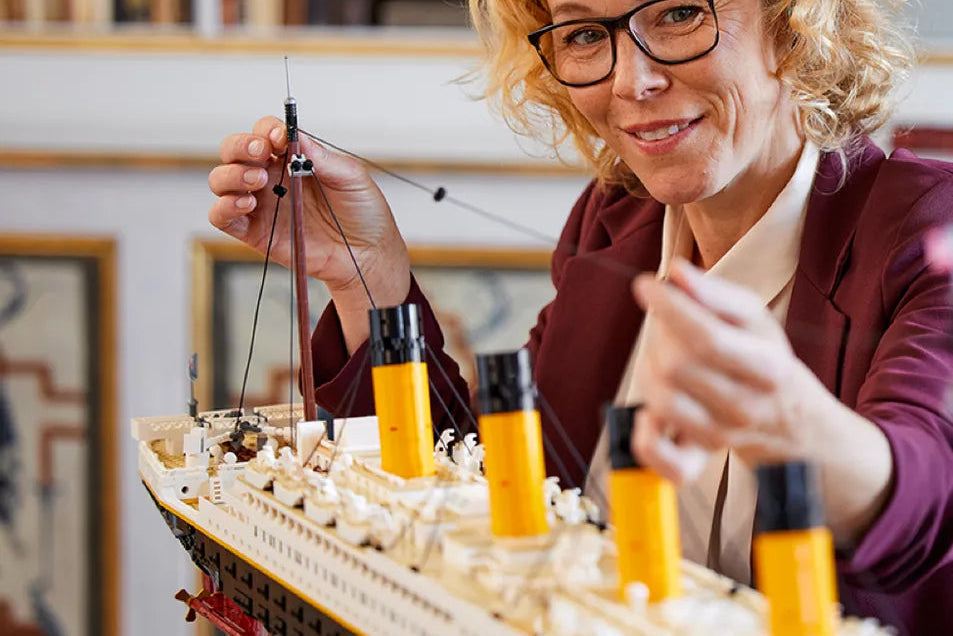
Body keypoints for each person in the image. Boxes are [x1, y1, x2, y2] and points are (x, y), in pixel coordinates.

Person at [208, 0, 953, 632]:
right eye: (586, 34)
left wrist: (799, 428)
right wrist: (365, 273)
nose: (633, 81)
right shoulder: (612, 217)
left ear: (794, 21)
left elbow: (928, 496)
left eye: (679, 13)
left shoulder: (927, 230)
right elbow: (498, 488)